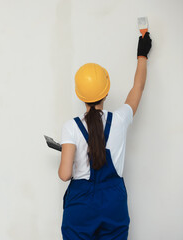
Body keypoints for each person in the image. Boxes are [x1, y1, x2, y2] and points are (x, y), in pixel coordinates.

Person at [58, 33, 152, 239]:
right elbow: (138, 87)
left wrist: (69, 155)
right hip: (113, 203)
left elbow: (65, 175)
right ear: (106, 91)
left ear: (79, 95)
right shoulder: (120, 119)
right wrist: (142, 55)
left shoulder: (71, 127)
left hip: (80, 207)